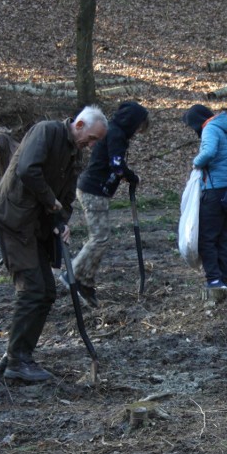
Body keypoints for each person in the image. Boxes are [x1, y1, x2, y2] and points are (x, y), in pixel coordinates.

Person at [0, 106, 108, 382]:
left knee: (47, 291)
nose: (92, 145)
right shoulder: (47, 131)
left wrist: (62, 221)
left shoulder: (74, 153)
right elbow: (29, 170)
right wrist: (50, 200)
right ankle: (17, 360)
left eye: (96, 141)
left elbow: (65, 198)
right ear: (79, 125)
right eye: (92, 138)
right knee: (32, 288)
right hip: (14, 220)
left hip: (36, 227)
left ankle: (18, 354)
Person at [63, 102, 150, 307]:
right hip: (93, 190)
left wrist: (129, 176)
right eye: (138, 127)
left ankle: (85, 280)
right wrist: (130, 176)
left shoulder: (117, 133)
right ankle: (73, 275)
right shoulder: (116, 134)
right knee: (99, 238)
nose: (137, 132)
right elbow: (117, 165)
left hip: (96, 190)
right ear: (132, 122)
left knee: (101, 238)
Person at [183, 104, 227, 290]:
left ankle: (214, 280)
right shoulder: (224, 130)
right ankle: (223, 279)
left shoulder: (210, 129)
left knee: (207, 238)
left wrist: (195, 163)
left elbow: (208, 152)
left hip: (213, 190)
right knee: (223, 237)